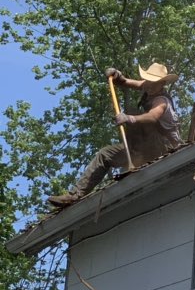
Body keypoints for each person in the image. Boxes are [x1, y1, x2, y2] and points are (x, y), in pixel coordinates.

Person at [48, 63, 182, 207]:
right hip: (143, 148)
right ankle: (75, 194)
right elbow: (125, 82)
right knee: (105, 155)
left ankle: (138, 158)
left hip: (163, 147)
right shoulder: (147, 86)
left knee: (138, 118)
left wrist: (129, 118)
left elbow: (152, 117)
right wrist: (117, 75)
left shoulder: (161, 101)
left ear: (162, 84)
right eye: (148, 81)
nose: (149, 85)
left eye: (154, 83)